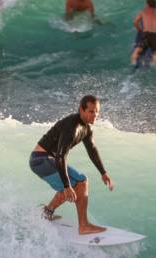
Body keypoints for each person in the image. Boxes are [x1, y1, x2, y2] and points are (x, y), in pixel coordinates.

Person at [29, 95, 114, 235]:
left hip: (45, 160)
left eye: (97, 111)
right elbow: (61, 156)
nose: (95, 115)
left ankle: (47, 212)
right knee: (78, 183)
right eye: (91, 111)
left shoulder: (86, 128)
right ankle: (84, 225)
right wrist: (67, 186)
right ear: (81, 110)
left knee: (79, 182)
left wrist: (103, 173)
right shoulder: (72, 127)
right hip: (41, 160)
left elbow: (92, 150)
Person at [130, 0, 156, 66]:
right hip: (155, 35)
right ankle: (153, 64)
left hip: (145, 34)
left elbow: (135, 22)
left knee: (137, 50)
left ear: (147, 4)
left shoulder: (143, 12)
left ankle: (133, 62)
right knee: (155, 53)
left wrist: (139, 30)